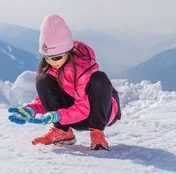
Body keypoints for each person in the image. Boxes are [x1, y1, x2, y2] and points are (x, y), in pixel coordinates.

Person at [8, 14, 121, 150]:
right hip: (71, 116)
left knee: (99, 79)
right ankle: (63, 132)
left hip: (101, 112)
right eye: (47, 57)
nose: (51, 62)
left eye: (56, 57)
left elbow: (84, 108)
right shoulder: (51, 68)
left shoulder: (82, 68)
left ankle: (98, 134)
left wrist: (58, 115)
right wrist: (31, 110)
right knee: (43, 81)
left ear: (68, 51)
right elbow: (45, 100)